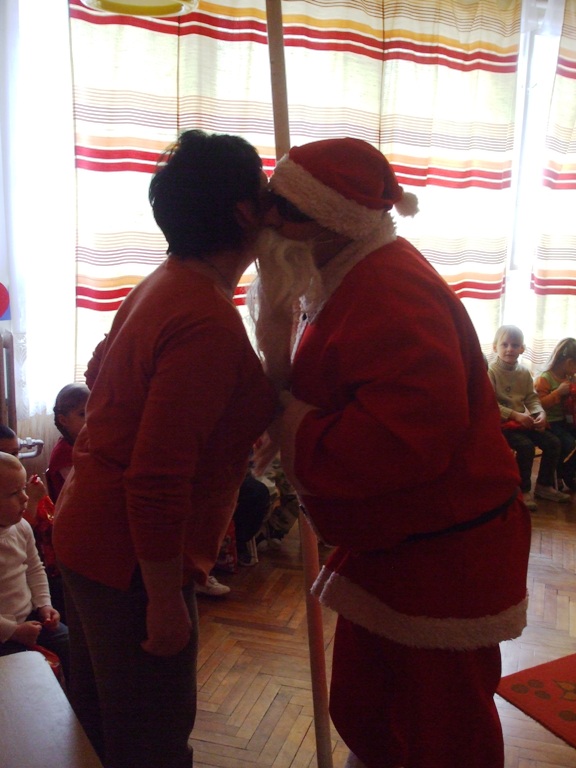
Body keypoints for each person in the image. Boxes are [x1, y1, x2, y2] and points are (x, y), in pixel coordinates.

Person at [248, 137, 531, 768]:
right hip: (395, 545)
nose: (269, 226)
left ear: (334, 221)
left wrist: (293, 422)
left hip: (443, 555)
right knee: (370, 707)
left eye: (286, 213)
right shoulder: (341, 274)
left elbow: (404, 441)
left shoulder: (393, 293)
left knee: (444, 730)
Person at [52, 129, 277, 768]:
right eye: (265, 191)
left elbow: (101, 373)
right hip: (128, 560)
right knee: (150, 744)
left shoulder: (166, 281)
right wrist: (161, 600)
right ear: (244, 212)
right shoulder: (205, 317)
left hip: (89, 533)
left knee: (101, 730)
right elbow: (155, 478)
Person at [0, 452, 69, 680]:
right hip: (5, 632)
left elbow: (35, 569)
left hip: (31, 618)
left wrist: (44, 605)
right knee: (23, 677)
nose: (25, 498)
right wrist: (13, 632)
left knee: (72, 647)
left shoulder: (21, 527)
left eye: (24, 489)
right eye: (14, 493)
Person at [488, 324, 570, 510]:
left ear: (522, 349)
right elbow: (491, 405)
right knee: (525, 447)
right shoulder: (491, 372)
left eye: (515, 345)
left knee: (553, 442)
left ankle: (543, 486)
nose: (510, 349)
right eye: (505, 344)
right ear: (495, 347)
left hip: (521, 422)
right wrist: (515, 415)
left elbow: (532, 398)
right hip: (502, 425)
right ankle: (522, 490)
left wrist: (540, 413)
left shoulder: (524, 372)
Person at [535, 337, 576, 491]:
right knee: (568, 443)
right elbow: (538, 405)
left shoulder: (570, 378)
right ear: (569, 363)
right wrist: (558, 393)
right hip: (550, 422)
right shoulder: (544, 378)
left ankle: (567, 471)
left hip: (565, 420)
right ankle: (558, 472)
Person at [47, 383, 90, 503]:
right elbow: (83, 489)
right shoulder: (64, 452)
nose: (90, 417)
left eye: (92, 410)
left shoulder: (79, 443)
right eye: (82, 414)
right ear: (63, 420)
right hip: (72, 508)